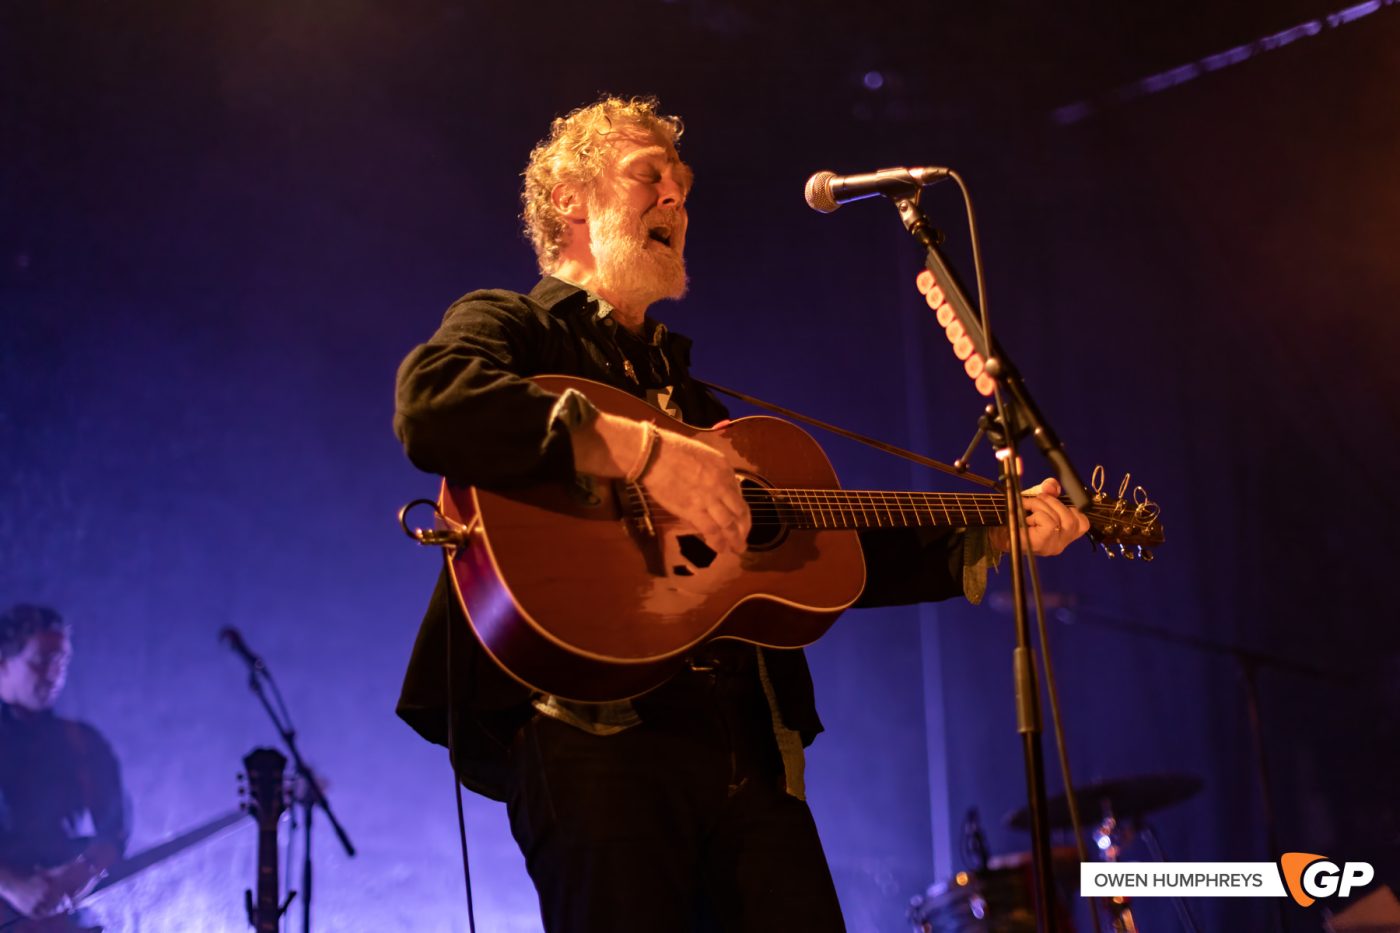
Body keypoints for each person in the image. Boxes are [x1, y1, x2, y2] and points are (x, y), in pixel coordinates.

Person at [393, 95, 1089, 932]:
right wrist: (640, 452)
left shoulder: (693, 404)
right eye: (649, 176)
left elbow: (821, 556)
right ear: (569, 199)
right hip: (594, 735)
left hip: (745, 744)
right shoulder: (515, 324)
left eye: (682, 186)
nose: (676, 197)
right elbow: (432, 400)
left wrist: (990, 529)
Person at [0, 604, 130, 926]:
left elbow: (115, 829)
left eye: (62, 661)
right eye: (41, 660)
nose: (55, 674)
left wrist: (86, 871)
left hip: (67, 921)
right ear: (3, 664)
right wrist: (13, 886)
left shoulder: (82, 742)